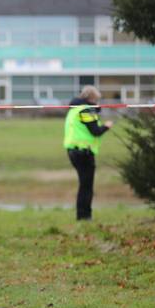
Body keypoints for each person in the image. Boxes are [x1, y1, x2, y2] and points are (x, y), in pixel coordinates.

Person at [63, 85, 114, 221]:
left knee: (84, 185)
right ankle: (84, 216)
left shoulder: (74, 109)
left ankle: (83, 215)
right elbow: (95, 131)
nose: (97, 103)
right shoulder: (85, 110)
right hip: (83, 152)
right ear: (92, 98)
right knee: (86, 186)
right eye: (96, 100)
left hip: (74, 150)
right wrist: (107, 126)